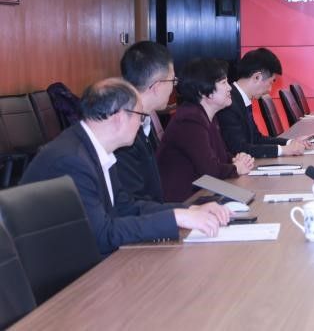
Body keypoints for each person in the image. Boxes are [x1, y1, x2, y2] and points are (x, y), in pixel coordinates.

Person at [20, 78, 229, 256]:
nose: (140, 124)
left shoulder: (96, 149)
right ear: (120, 117)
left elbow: (126, 208)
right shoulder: (72, 160)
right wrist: (174, 218)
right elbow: (102, 235)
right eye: (140, 116)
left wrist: (187, 210)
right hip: (63, 277)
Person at [157, 58, 255, 202]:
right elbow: (210, 170)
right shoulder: (190, 120)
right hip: (185, 201)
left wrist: (236, 159)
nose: (229, 88)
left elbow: (220, 157)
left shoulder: (206, 115)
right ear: (204, 91)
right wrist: (236, 168)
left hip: (202, 194)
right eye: (224, 83)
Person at [217, 48, 311, 158]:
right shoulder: (228, 104)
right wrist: (283, 150)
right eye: (271, 82)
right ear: (257, 77)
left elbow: (256, 139)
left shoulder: (240, 99)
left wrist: (290, 143)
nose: (270, 90)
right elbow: (239, 149)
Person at [115, 41, 175, 203]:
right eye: (172, 81)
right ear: (157, 86)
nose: (173, 88)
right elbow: (134, 202)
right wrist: (183, 212)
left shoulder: (144, 120)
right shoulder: (122, 133)